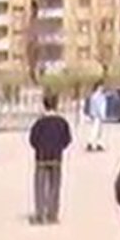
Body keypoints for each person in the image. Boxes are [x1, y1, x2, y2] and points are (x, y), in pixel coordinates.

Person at [28, 92, 72, 225]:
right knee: (55, 186)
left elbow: (32, 139)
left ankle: (40, 214)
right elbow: (67, 139)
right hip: (56, 157)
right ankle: (53, 214)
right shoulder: (62, 122)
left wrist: (39, 147)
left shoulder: (39, 123)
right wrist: (59, 147)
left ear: (44, 105)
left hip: (41, 157)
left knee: (40, 186)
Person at [85, 80, 108, 152]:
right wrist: (100, 114)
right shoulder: (96, 96)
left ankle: (98, 143)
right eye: (101, 86)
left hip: (98, 115)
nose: (102, 88)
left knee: (99, 131)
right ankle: (90, 143)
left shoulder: (100, 95)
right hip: (97, 115)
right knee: (95, 130)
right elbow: (97, 106)